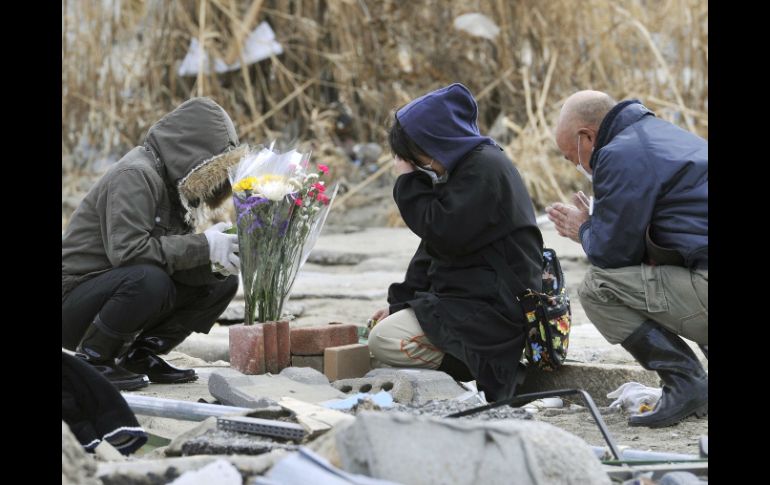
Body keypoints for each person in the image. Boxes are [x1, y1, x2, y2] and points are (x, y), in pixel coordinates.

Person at [368, 83, 544, 402]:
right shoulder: (466, 167)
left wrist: (408, 181)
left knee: (384, 341)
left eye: (415, 153)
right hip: (470, 296)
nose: (417, 162)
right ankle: (468, 364)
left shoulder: (486, 169)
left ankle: (478, 368)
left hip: (496, 308)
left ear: (435, 140)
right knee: (385, 333)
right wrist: (401, 303)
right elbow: (433, 249)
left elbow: (440, 230)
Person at [546, 90, 708, 428]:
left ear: (586, 137)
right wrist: (601, 221)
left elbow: (611, 255)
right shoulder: (664, 135)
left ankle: (686, 383)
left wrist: (585, 229)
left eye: (569, 157)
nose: (575, 165)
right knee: (656, 273)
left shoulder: (620, 154)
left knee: (598, 288)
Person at [62, 97, 244, 391]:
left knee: (220, 281)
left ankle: (139, 355)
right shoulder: (135, 174)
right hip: (72, 300)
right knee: (149, 279)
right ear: (192, 153)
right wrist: (204, 246)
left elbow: (171, 258)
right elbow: (129, 253)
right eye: (216, 167)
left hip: (114, 293)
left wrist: (216, 263)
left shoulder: (176, 185)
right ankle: (93, 359)